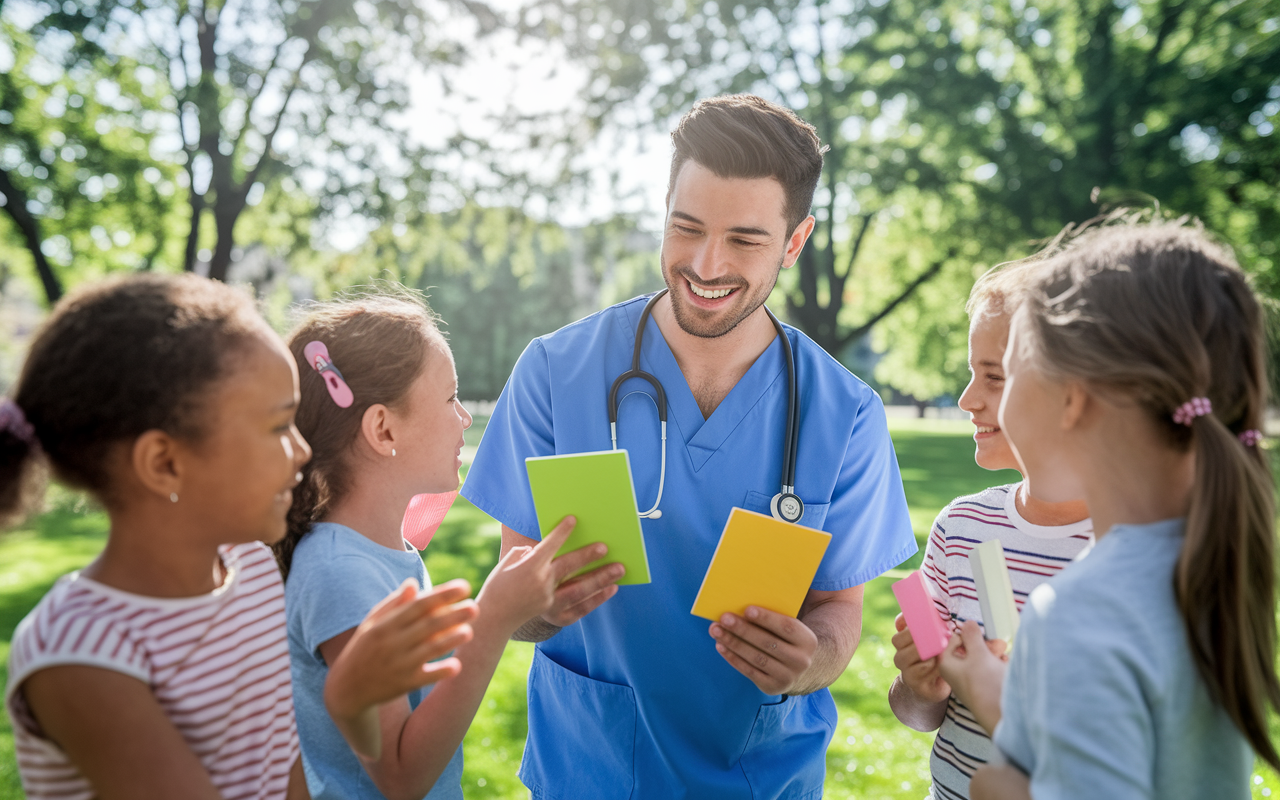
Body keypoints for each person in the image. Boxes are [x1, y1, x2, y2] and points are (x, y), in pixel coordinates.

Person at [461, 94, 916, 798]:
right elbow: (513, 589)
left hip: (762, 778)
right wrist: (543, 606)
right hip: (590, 769)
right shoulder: (556, 373)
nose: (706, 264)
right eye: (687, 227)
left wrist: (811, 660)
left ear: (795, 243)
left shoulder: (845, 413)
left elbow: (839, 610)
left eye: (745, 239)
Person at [0, 274, 474, 799]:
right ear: (164, 463)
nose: (301, 451)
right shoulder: (82, 652)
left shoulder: (253, 572)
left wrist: (356, 707)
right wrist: (346, 702)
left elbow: (287, 782)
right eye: (277, 427)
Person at [939, 221, 1280, 799]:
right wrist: (1003, 702)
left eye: (1010, 372)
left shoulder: (1076, 612)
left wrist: (1000, 788)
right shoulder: (1210, 564)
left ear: (1073, 397)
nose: (976, 397)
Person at [275, 293, 603, 800]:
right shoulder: (341, 572)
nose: (464, 419)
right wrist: (493, 618)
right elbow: (402, 776)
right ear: (384, 429)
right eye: (451, 399)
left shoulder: (379, 548)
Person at [887, 262, 1093, 799]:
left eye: (994, 377)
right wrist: (918, 685)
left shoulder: (1121, 551)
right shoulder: (962, 526)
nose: (966, 399)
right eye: (972, 373)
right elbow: (917, 714)